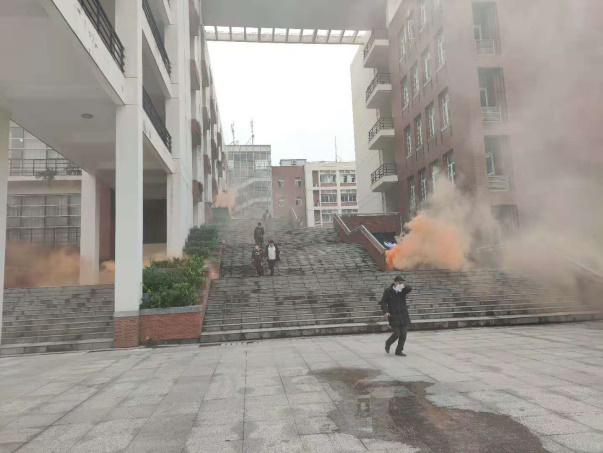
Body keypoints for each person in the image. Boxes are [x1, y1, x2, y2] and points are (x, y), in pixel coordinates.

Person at [380, 275, 413, 357]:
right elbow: (383, 302)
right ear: (394, 282)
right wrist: (385, 311)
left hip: (403, 314)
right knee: (397, 333)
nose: (400, 284)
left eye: (402, 282)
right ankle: (388, 343)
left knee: (404, 334)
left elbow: (410, 288)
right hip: (393, 315)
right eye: (399, 282)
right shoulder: (388, 291)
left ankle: (399, 350)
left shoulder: (403, 290)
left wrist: (403, 286)